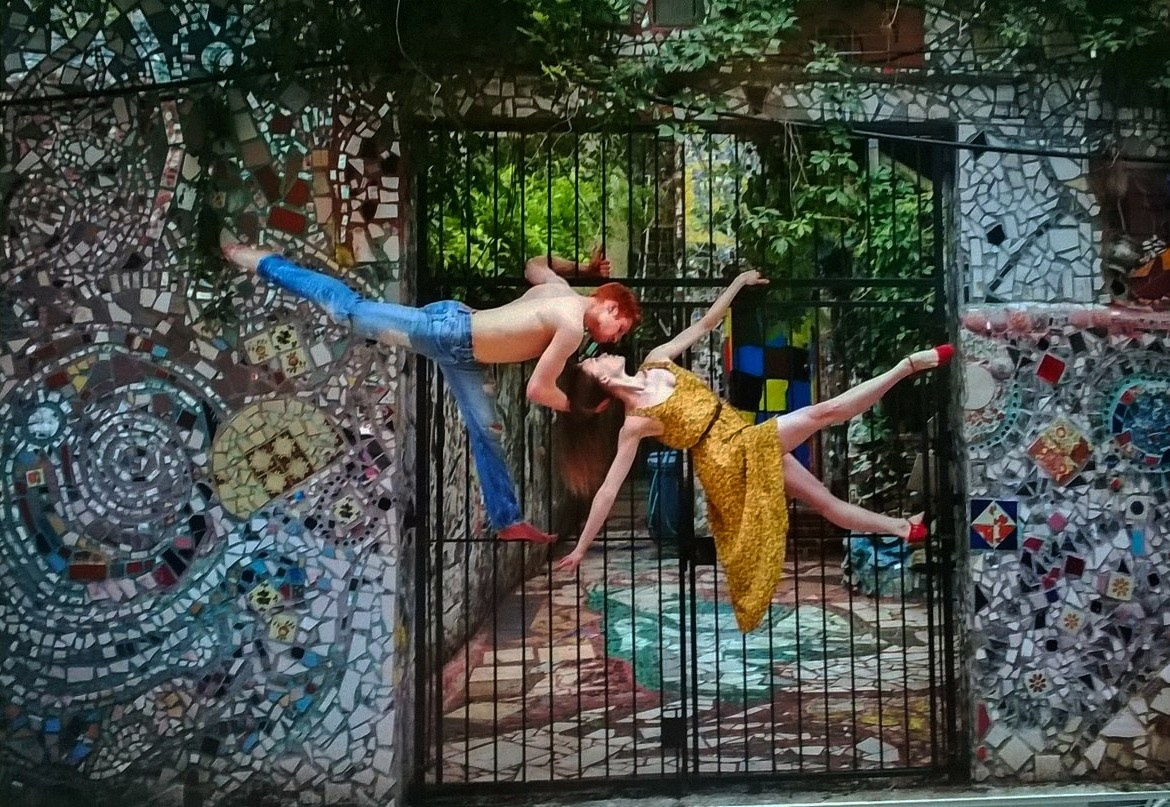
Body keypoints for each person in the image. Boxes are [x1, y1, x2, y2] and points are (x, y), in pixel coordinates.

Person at [552, 269, 952, 632]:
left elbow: (706, 323)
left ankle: (905, 529)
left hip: (740, 435)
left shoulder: (656, 361)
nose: (602, 354)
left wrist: (738, 283)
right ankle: (908, 366)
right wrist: (582, 547)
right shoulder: (635, 423)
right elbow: (608, 490)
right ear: (602, 382)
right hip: (727, 457)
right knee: (823, 413)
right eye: (594, 364)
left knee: (824, 501)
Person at [223, 241, 642, 544]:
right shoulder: (571, 327)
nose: (612, 339)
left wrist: (583, 269)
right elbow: (537, 389)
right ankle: (263, 261)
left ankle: (506, 519)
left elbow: (534, 264)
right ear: (609, 307)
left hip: (462, 347)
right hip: (448, 333)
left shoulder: (560, 291)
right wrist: (579, 408)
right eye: (618, 329)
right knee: (347, 310)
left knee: (488, 429)